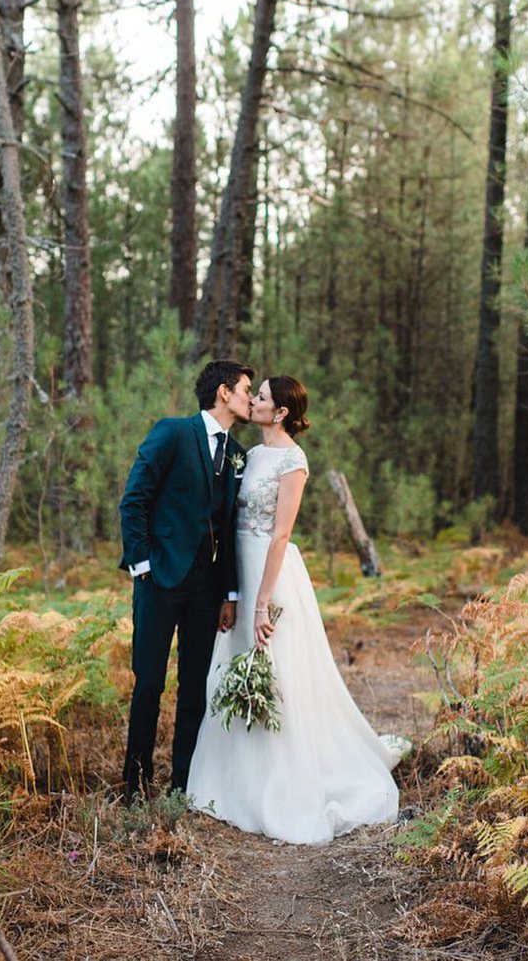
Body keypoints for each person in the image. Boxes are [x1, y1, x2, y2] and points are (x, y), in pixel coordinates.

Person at [186, 375, 400, 844]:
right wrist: (232, 593)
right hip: (238, 572)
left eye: (260, 397)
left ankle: (281, 782)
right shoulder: (248, 455)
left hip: (271, 573)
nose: (253, 401)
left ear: (280, 411)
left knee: (276, 672)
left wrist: (262, 603)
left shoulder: (292, 461)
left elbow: (280, 533)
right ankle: (231, 780)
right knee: (231, 669)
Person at [118, 360, 254, 801]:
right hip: (159, 580)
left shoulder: (238, 453)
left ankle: (183, 785)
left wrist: (229, 593)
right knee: (150, 683)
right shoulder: (173, 432)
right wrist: (143, 566)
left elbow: (231, 525)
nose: (251, 398)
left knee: (195, 685)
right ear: (223, 392)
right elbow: (133, 500)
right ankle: (135, 786)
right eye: (246, 389)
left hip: (206, 588)